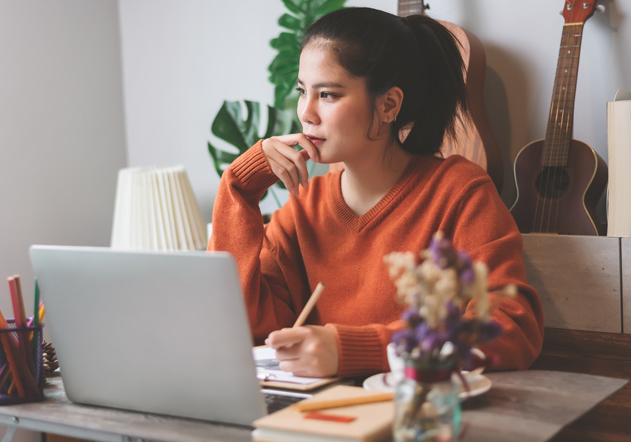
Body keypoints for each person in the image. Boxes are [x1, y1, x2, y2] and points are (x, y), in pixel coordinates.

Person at [208, 7, 543, 379]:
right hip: (319, 421)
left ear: (389, 105)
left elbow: (510, 326)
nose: (307, 113)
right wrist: (239, 186)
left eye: (329, 95)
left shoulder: (460, 193)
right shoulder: (304, 207)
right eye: (303, 91)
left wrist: (357, 349)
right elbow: (244, 325)